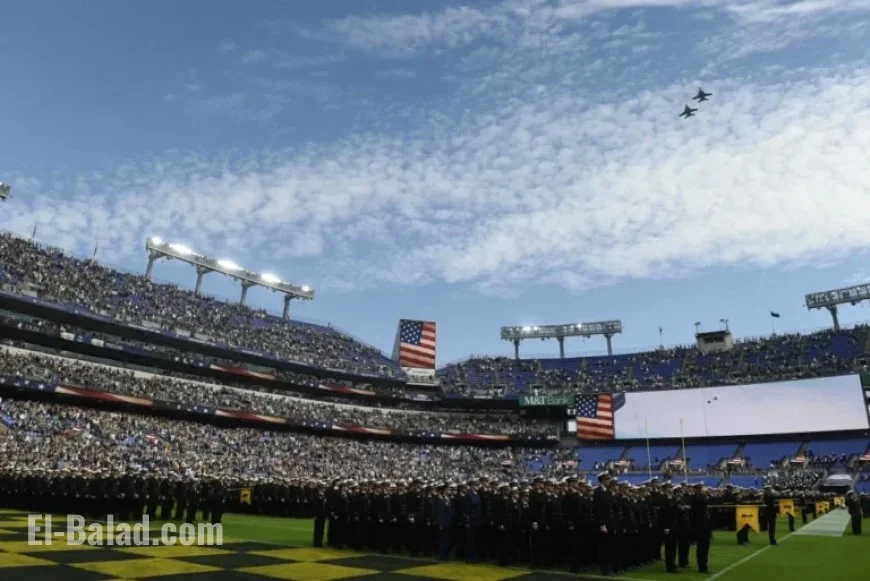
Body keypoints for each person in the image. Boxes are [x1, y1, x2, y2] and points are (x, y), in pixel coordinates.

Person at [593, 471, 615, 576]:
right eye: (607, 479)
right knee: (603, 548)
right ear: (602, 480)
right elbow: (598, 510)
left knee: (608, 547)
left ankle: (608, 568)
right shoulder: (598, 492)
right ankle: (604, 569)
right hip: (603, 524)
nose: (609, 481)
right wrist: (602, 525)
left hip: (609, 523)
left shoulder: (607, 492)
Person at [689, 483, 712, 574]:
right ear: (695, 490)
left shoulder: (701, 497)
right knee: (702, 547)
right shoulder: (696, 498)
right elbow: (704, 502)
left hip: (705, 525)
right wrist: (705, 494)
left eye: (700, 488)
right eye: (698, 489)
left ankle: (704, 565)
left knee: (705, 547)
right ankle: (702, 567)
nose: (700, 490)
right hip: (700, 526)